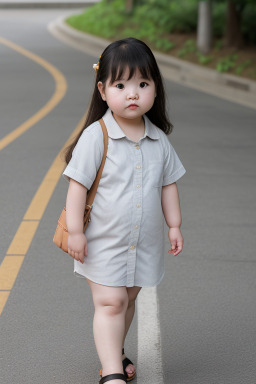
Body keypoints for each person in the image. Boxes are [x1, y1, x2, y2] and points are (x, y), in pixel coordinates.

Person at [62, 37, 186, 384]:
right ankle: (112, 372)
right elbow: (77, 187)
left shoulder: (159, 140)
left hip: (142, 243)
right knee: (111, 302)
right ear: (103, 90)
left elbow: (168, 184)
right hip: (101, 242)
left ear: (155, 89)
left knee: (127, 300)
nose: (132, 93)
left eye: (142, 84)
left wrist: (174, 225)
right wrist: (75, 231)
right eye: (121, 85)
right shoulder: (96, 135)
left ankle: (112, 351)